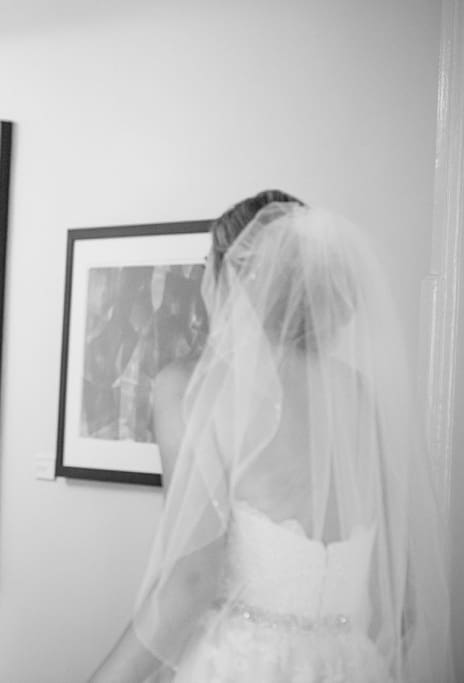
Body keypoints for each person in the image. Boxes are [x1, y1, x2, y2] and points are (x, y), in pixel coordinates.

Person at [91, 191, 452, 681]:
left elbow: (191, 580)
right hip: (353, 665)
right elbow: (400, 603)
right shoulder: (357, 395)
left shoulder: (191, 387)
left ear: (228, 275)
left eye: (206, 268)